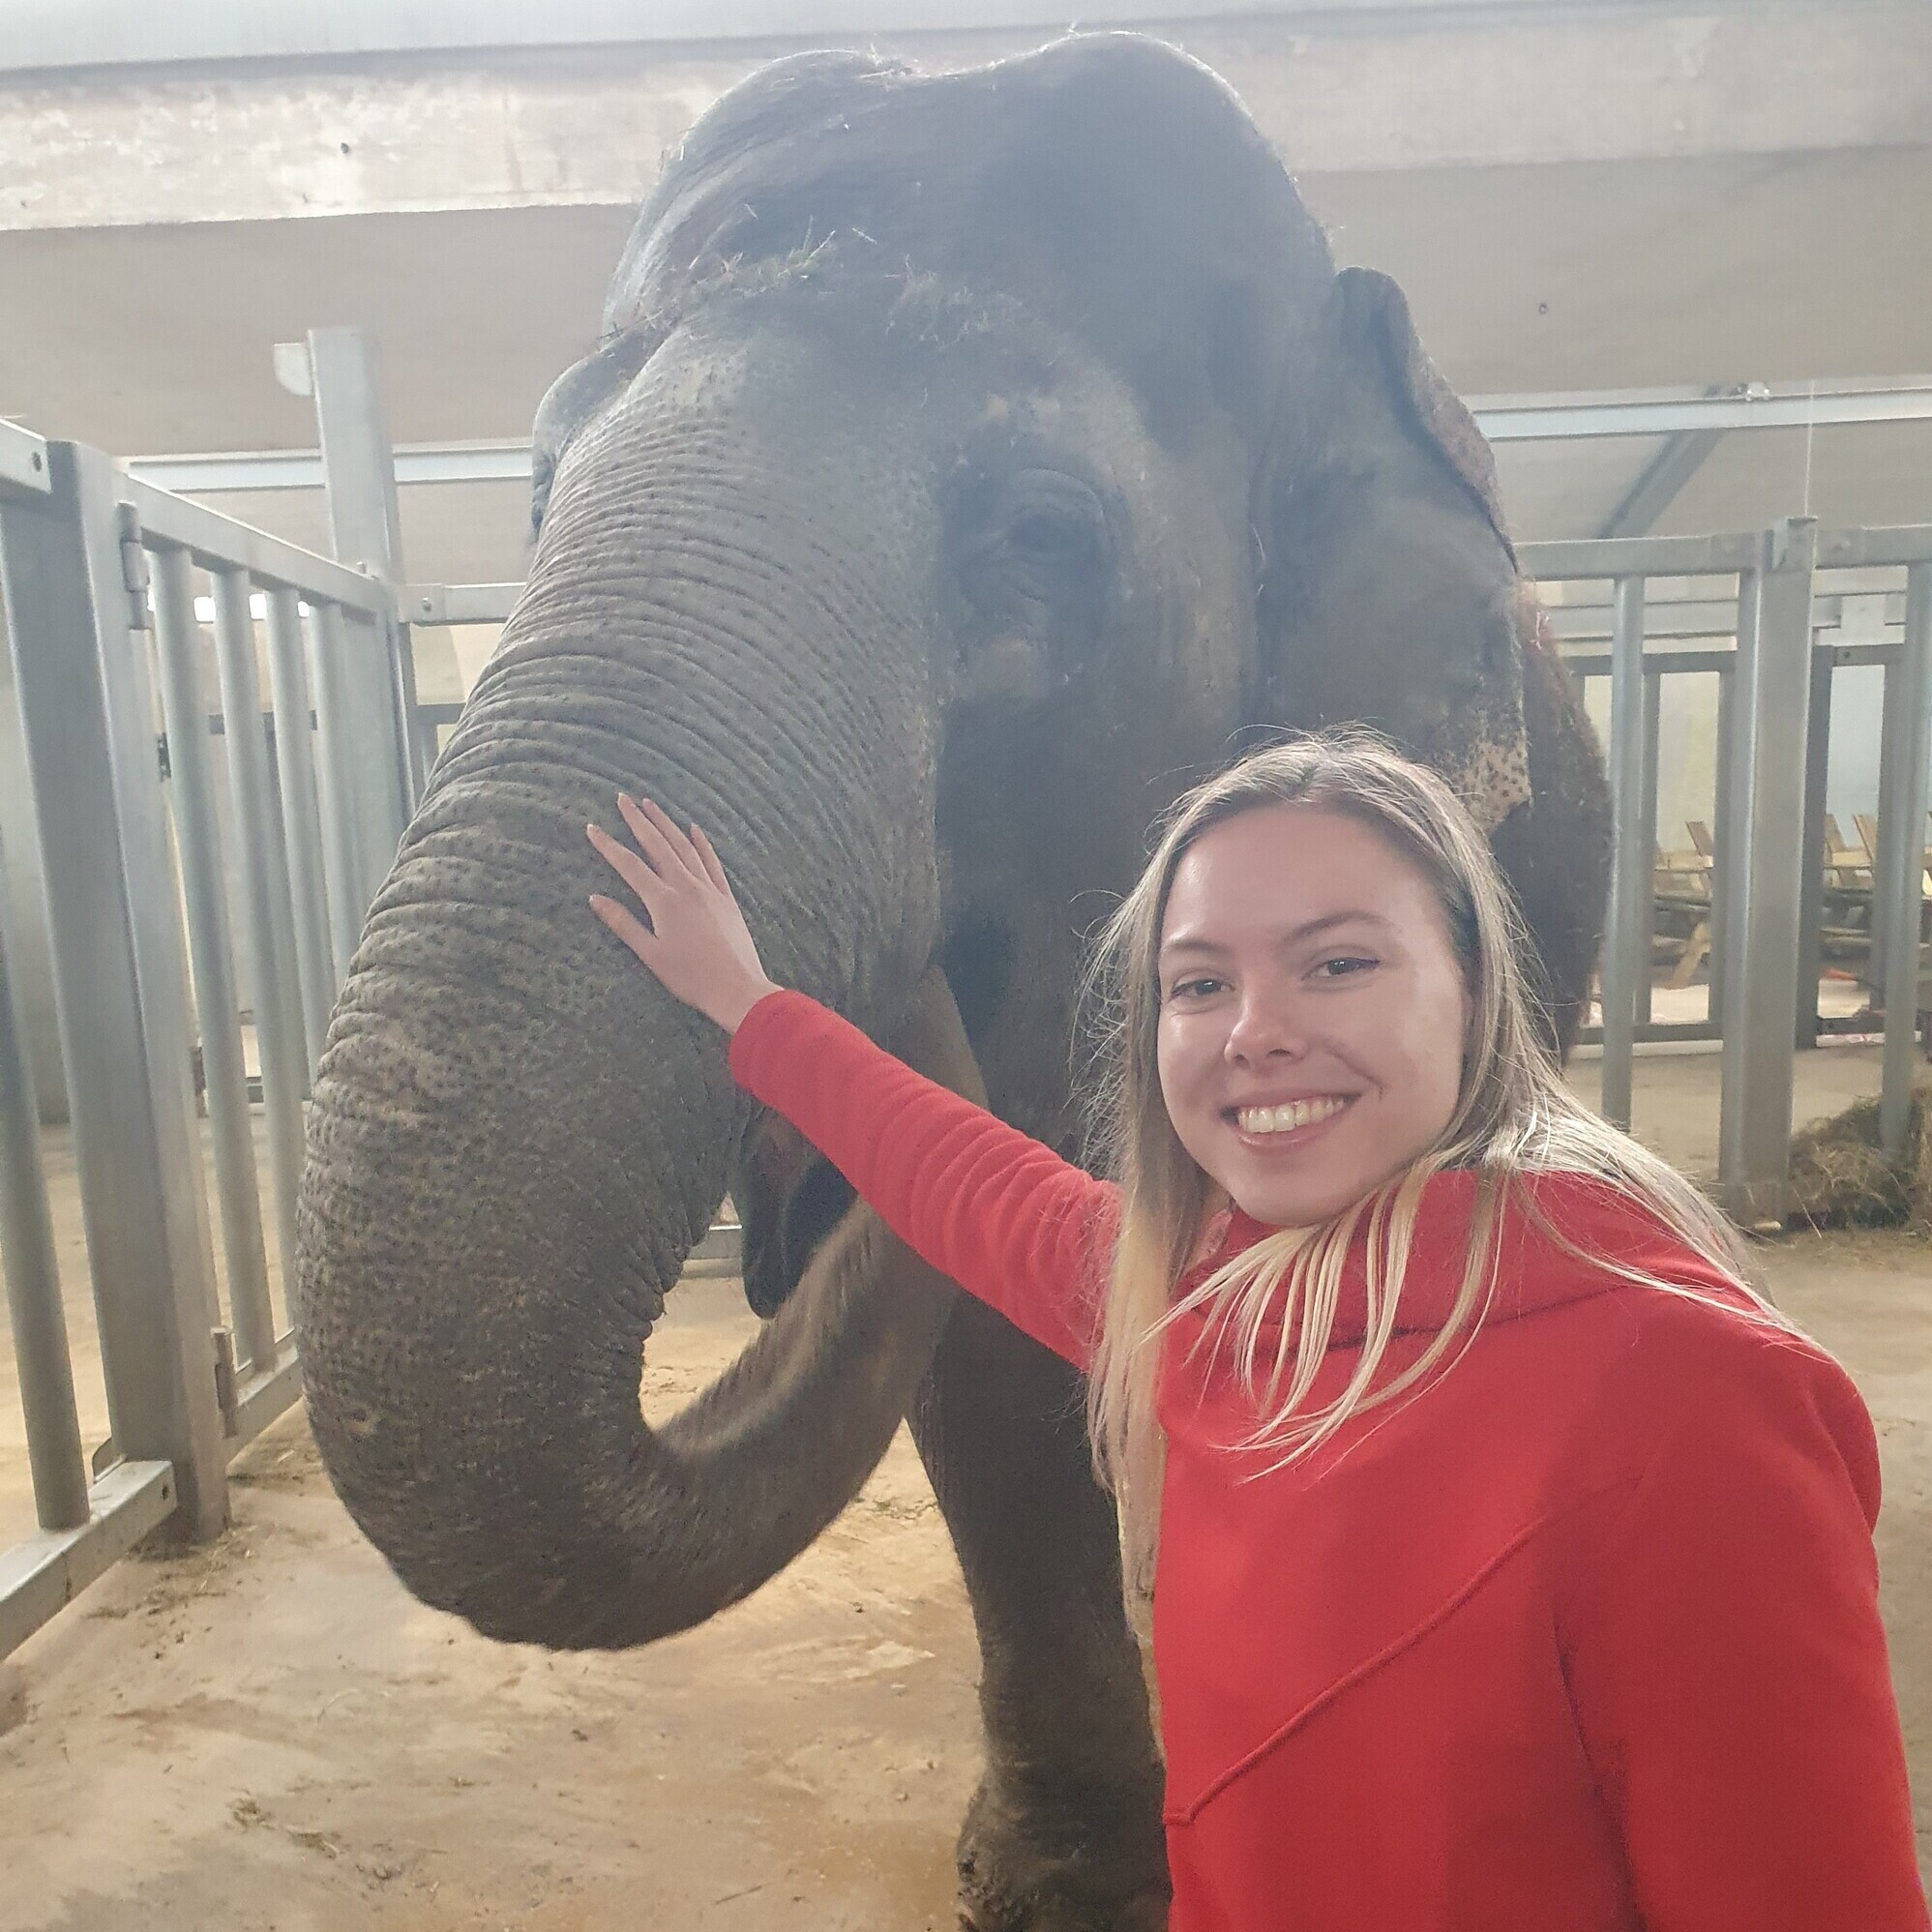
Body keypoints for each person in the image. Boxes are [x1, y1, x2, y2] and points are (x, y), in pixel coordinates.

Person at [586, 730, 1928, 1932]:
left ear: (1472, 987)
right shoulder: (1200, 1294)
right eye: (1197, 984)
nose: (1256, 1034)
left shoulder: (1692, 1406)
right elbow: (966, 1178)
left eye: (1338, 963)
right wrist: (749, 1005)